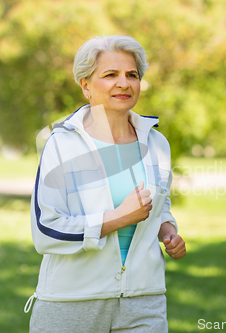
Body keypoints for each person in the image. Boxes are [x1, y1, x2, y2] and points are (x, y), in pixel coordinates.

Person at [25, 35, 186, 333]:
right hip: (72, 303)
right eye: (110, 75)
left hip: (144, 301)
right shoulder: (61, 144)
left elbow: (159, 207)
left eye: (132, 75)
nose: (123, 83)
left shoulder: (157, 142)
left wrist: (168, 231)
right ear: (85, 85)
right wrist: (117, 218)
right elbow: (47, 230)